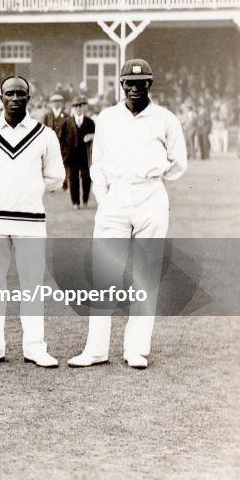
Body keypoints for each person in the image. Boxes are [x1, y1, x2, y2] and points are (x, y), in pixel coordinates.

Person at [69, 59, 187, 370]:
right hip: (115, 198)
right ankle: (96, 350)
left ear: (151, 84)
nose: (135, 88)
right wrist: (105, 197)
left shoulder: (165, 119)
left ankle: (136, 349)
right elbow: (100, 163)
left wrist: (151, 179)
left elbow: (178, 163)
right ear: (120, 85)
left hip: (150, 196)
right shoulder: (107, 118)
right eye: (129, 83)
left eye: (142, 82)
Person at [0, 76, 64, 368]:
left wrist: (28, 190)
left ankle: (35, 347)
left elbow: (56, 177)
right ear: (0, 98)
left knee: (32, 284)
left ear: (29, 98)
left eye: (20, 94)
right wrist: (2, 192)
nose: (15, 99)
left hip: (31, 219)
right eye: (9, 93)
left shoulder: (44, 134)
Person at [64, 97, 95, 209]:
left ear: (84, 107)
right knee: (73, 179)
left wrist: (91, 137)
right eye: (76, 106)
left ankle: (85, 200)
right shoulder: (67, 122)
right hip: (71, 156)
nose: (78, 108)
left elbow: (97, 137)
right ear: (73, 108)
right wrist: (65, 153)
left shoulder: (90, 122)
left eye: (80, 106)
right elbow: (61, 139)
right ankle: (75, 203)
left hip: (85, 156)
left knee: (86, 178)